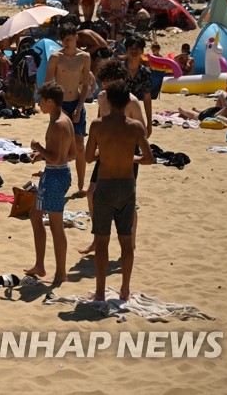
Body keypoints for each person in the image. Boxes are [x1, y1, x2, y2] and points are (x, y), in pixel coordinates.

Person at [84, 81, 153, 302]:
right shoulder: (135, 127)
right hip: (127, 186)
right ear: (127, 102)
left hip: (105, 185)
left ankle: (101, 292)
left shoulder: (97, 125)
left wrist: (103, 153)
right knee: (126, 243)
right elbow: (148, 158)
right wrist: (129, 157)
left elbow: (87, 158)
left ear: (109, 101)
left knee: (102, 242)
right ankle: (125, 290)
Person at [25, 82, 75, 286]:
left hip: (55, 176)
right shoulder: (65, 120)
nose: (39, 104)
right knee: (34, 215)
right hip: (58, 174)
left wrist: (38, 147)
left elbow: (55, 158)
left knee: (55, 226)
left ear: (50, 101)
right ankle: (40, 265)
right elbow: (70, 154)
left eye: (41, 100)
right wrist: (41, 155)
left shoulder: (57, 124)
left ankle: (61, 272)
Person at [45, 24, 91, 194]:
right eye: (63, 39)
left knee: (79, 145)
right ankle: (53, 178)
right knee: (58, 146)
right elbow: (48, 84)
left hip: (76, 103)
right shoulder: (56, 57)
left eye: (69, 38)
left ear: (75, 37)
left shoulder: (84, 57)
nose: (66, 42)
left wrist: (79, 108)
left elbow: (85, 85)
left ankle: (80, 184)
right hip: (60, 105)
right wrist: (56, 110)